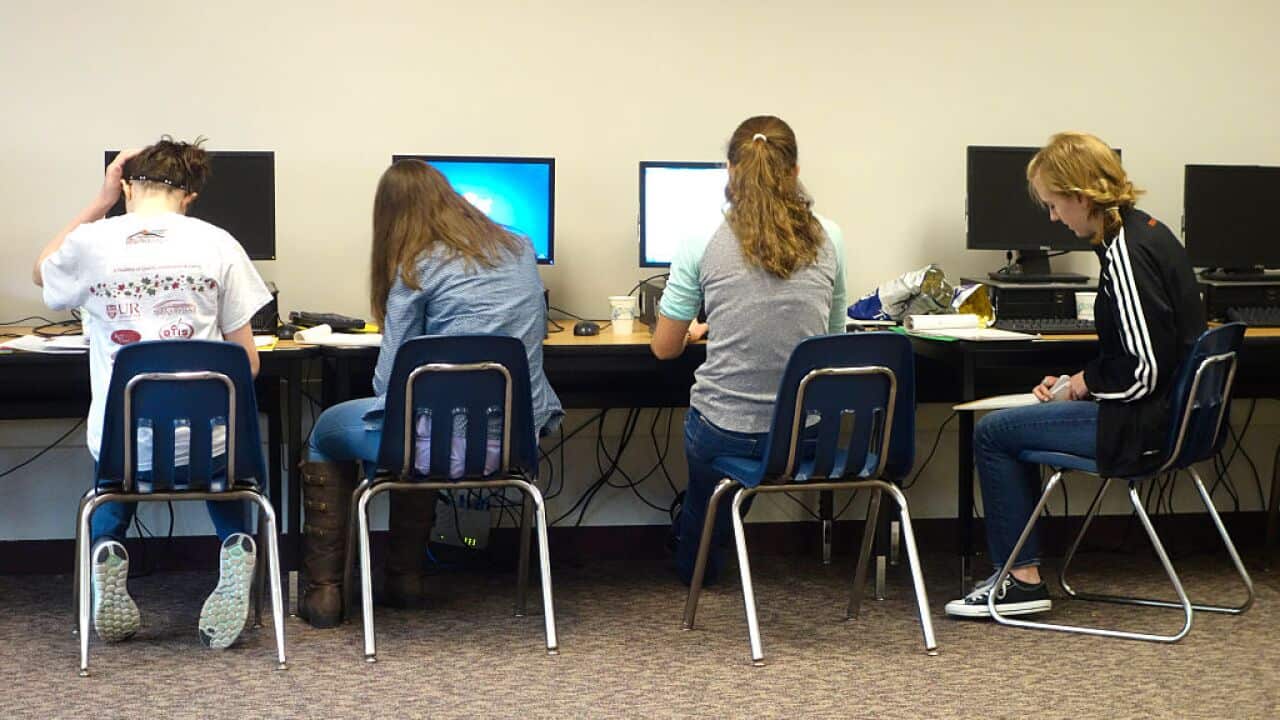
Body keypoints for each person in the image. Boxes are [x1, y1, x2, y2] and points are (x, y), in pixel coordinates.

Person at [945, 132, 1206, 618]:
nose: (1052, 218)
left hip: (1144, 427)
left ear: (1081, 197)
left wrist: (1085, 386)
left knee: (993, 433)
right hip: (1168, 418)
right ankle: (1020, 574)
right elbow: (1143, 353)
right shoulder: (1146, 231)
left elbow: (1143, 372)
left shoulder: (1126, 252)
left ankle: (1021, 581)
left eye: (1053, 204)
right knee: (1013, 427)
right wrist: (1080, 379)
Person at [298, 159, 563, 627]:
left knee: (327, 432)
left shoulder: (415, 267)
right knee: (416, 427)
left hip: (430, 448)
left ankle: (326, 593)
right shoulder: (521, 249)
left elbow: (388, 384)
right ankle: (405, 579)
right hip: (514, 445)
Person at [33, 137, 273, 647]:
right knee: (220, 465)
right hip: (211, 447)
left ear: (125, 188)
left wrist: (97, 204)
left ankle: (106, 548)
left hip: (125, 449)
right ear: (190, 195)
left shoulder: (92, 243)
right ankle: (235, 544)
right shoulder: (220, 243)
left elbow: (41, 273)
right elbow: (246, 363)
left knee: (117, 471)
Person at [650, 115, 847, 585]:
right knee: (757, 455)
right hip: (807, 433)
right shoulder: (830, 236)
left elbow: (663, 350)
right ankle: (721, 532)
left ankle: (696, 569)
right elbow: (832, 341)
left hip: (725, 431)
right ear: (795, 172)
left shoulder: (700, 237)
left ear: (729, 170)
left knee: (707, 487)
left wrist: (702, 329)